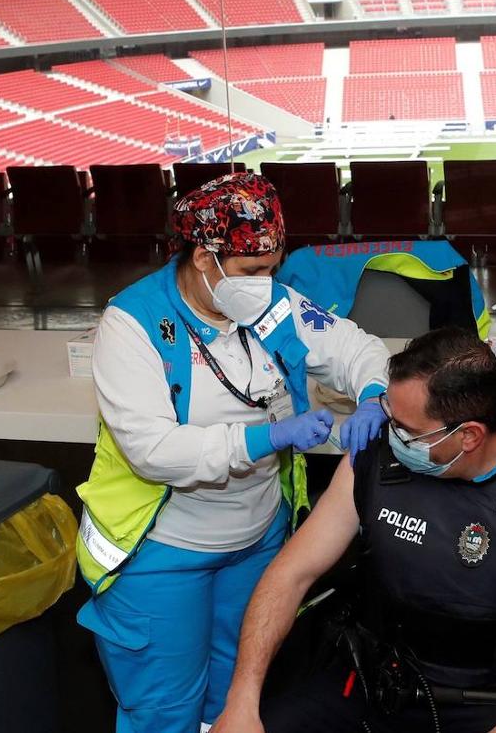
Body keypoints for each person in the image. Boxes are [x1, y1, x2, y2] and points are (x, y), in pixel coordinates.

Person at [75, 173, 392, 733]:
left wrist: (371, 395)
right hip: (162, 553)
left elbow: (354, 346)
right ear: (204, 257)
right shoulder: (135, 324)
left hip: (254, 544)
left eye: (272, 270)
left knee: (235, 704)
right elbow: (153, 450)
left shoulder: (269, 306)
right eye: (251, 273)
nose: (266, 285)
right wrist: (266, 438)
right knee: (163, 713)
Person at [213, 327, 496, 733]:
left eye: (408, 430)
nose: (392, 435)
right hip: (374, 681)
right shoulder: (374, 461)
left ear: (469, 435)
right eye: (389, 415)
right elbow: (291, 574)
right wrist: (241, 700)